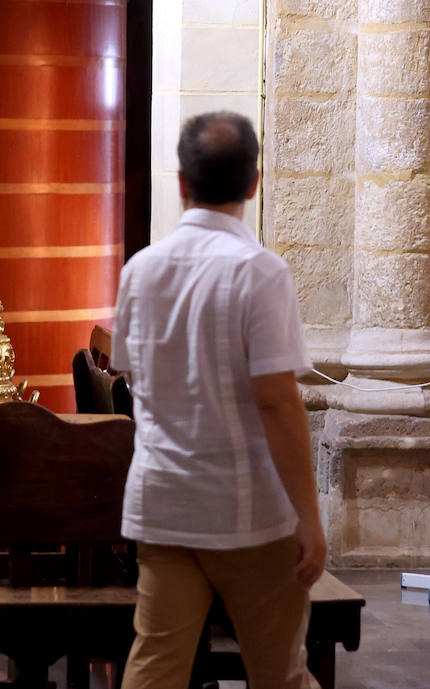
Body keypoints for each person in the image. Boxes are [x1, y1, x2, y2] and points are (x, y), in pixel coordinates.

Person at [114, 112, 325, 689]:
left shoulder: (141, 270)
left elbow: (131, 374)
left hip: (165, 502)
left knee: (156, 667)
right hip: (249, 510)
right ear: (255, 182)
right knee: (278, 672)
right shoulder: (260, 272)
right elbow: (277, 402)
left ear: (182, 182)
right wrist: (309, 516)